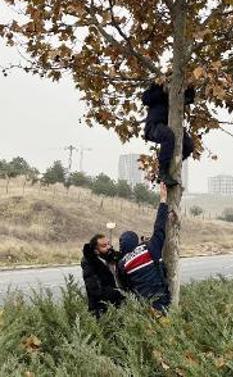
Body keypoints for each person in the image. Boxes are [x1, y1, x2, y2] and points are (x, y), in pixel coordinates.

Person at [117, 183, 171, 313]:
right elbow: (159, 227)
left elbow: (125, 287)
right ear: (136, 242)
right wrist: (163, 201)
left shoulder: (122, 264)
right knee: (165, 327)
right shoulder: (148, 248)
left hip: (143, 304)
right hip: (160, 299)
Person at [142, 81, 195, 186]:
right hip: (154, 126)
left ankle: (172, 166)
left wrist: (190, 86)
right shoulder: (158, 85)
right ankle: (163, 172)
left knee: (188, 146)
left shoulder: (180, 88)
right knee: (167, 135)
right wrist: (163, 91)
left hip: (174, 127)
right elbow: (145, 99)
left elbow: (189, 98)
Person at [81, 233, 123, 317]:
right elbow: (96, 290)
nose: (108, 247)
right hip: (102, 311)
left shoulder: (111, 258)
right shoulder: (90, 264)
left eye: (108, 244)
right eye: (104, 246)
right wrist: (119, 293)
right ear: (96, 251)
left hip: (116, 306)